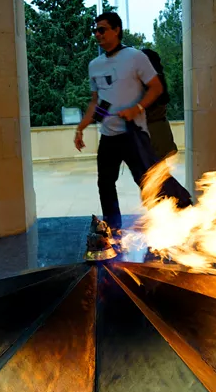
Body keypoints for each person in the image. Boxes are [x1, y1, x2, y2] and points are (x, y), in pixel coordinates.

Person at [74, 12, 191, 232]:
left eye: (102, 29)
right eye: (95, 30)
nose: (97, 34)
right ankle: (114, 228)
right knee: (105, 184)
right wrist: (80, 128)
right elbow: (97, 102)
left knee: (149, 182)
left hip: (134, 133)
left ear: (116, 30)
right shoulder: (95, 65)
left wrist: (136, 108)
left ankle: (176, 216)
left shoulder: (136, 57)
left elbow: (157, 88)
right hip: (108, 136)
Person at [140, 48, 179, 160]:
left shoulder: (149, 84)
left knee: (154, 174)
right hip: (161, 131)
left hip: (152, 133)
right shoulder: (158, 80)